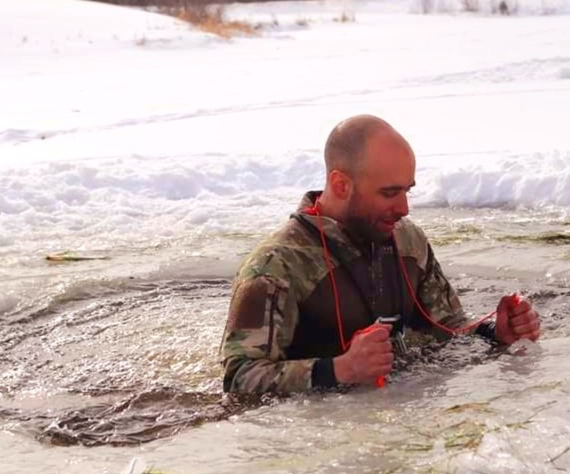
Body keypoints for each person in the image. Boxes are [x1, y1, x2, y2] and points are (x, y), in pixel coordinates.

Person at [220, 115, 541, 395]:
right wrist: (338, 370)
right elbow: (239, 378)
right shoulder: (275, 267)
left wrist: (494, 332)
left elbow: (447, 327)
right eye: (389, 193)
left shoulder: (408, 241)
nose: (404, 208)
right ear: (341, 184)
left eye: (407, 190)